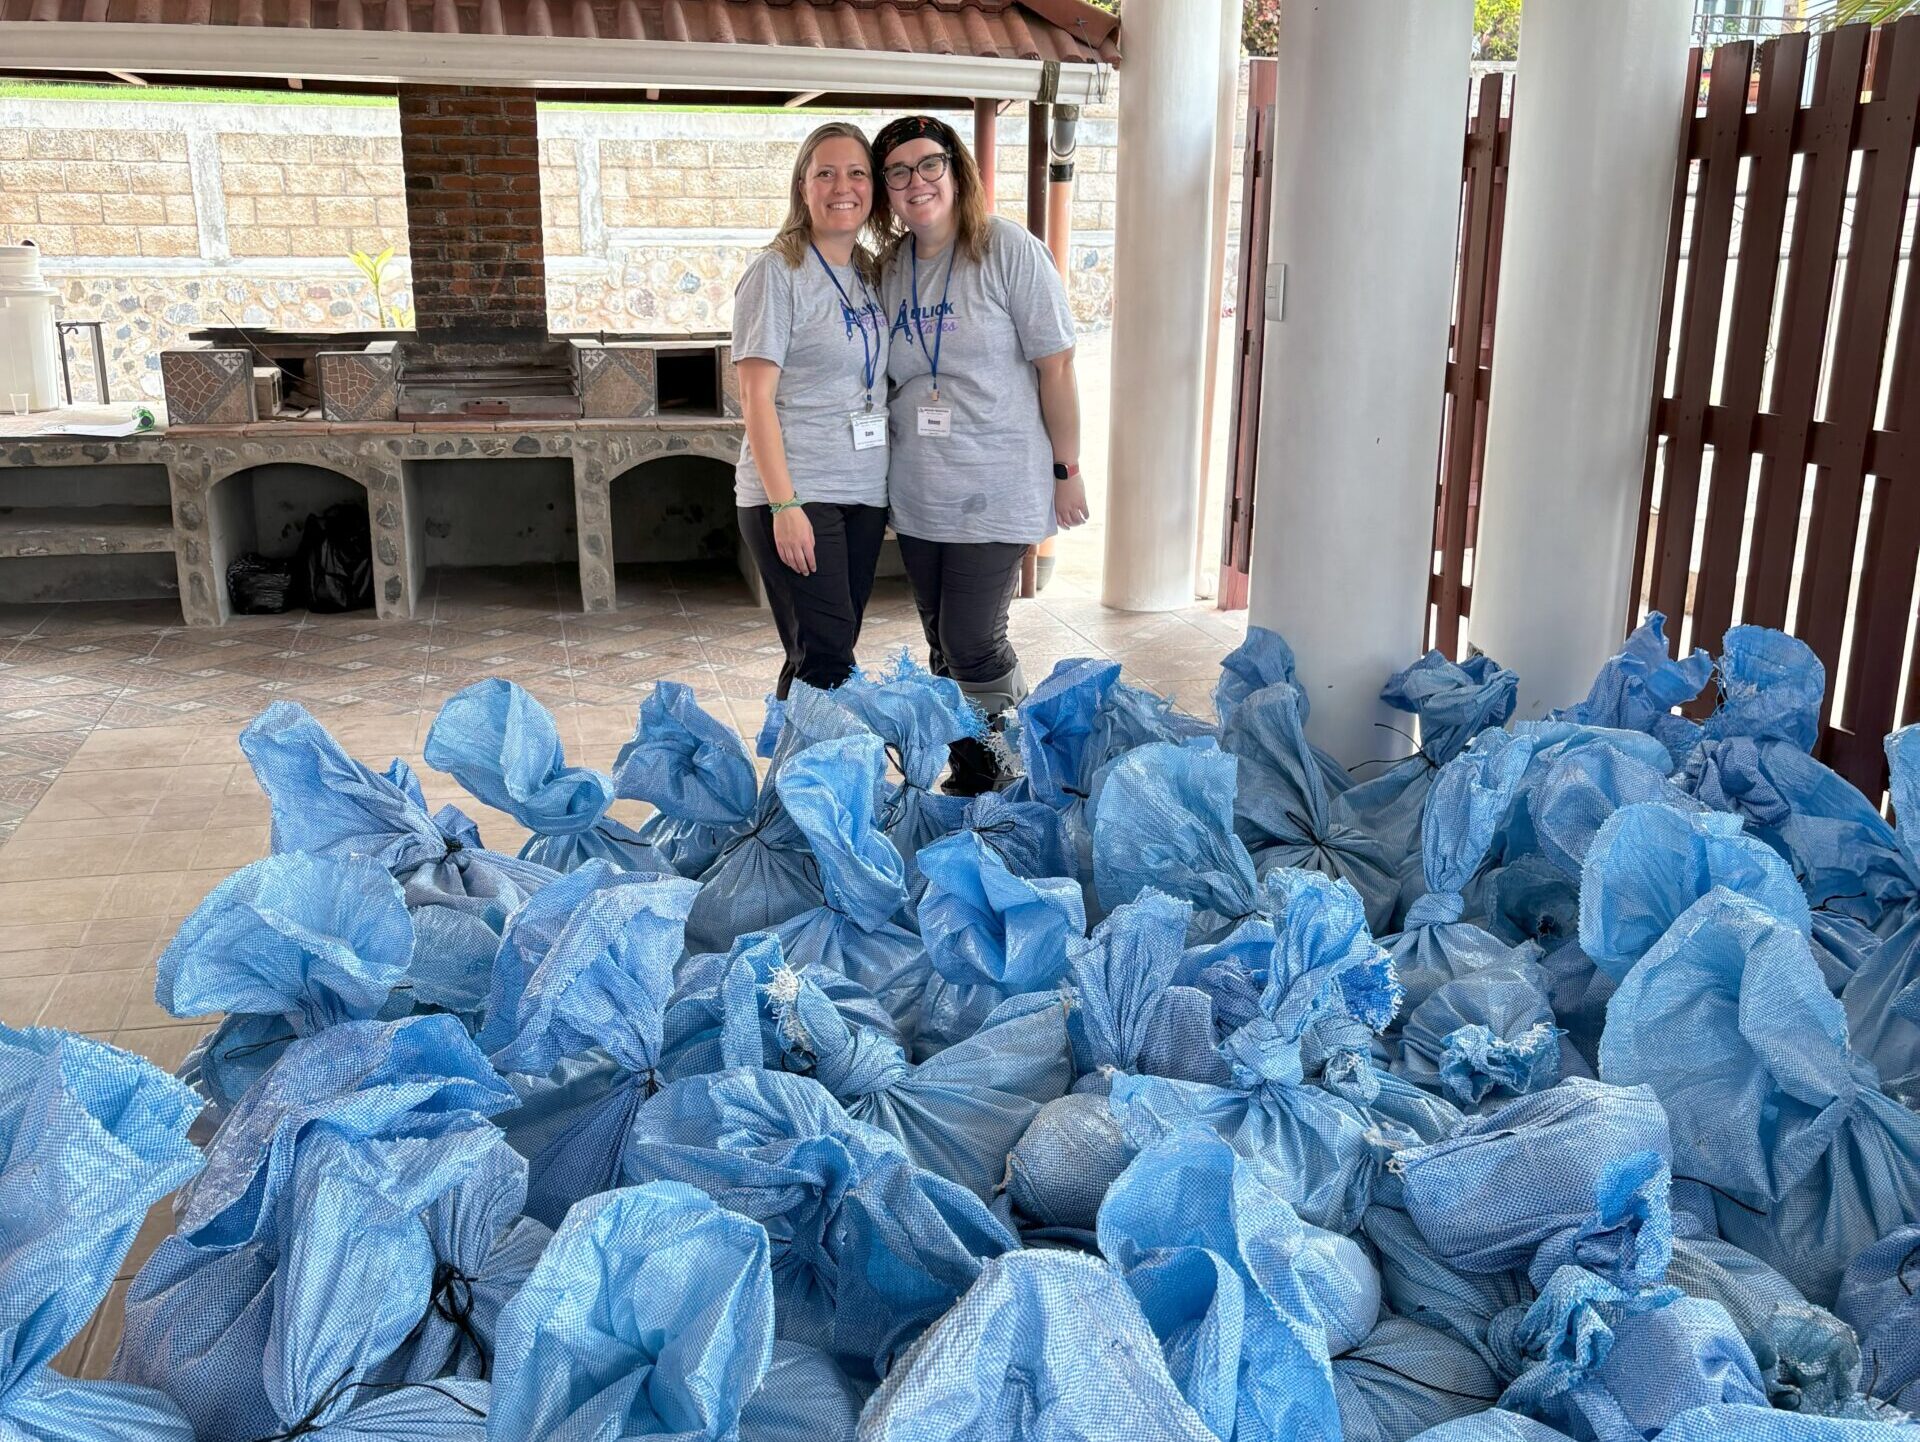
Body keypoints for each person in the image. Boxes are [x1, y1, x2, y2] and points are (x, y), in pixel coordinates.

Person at [870, 114, 1087, 796]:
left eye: (928, 164)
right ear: (886, 190)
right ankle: (971, 768)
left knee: (972, 641)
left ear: (956, 170)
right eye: (898, 172)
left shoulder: (1007, 250)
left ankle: (1008, 765)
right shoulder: (891, 270)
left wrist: (1068, 470)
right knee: (942, 643)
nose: (915, 182)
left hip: (997, 485)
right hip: (921, 490)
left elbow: (1057, 367)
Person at [731, 122, 891, 698]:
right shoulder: (776, 272)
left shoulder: (873, 272)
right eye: (825, 173)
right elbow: (754, 398)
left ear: (872, 189)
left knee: (821, 651)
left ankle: (790, 782)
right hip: (798, 492)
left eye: (856, 173)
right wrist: (784, 503)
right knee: (827, 659)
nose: (841, 186)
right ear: (803, 186)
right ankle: (813, 788)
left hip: (862, 492)